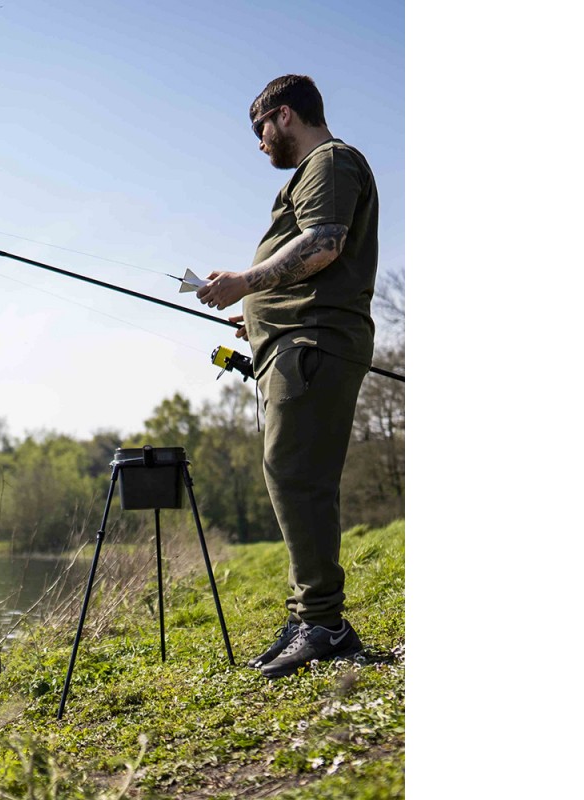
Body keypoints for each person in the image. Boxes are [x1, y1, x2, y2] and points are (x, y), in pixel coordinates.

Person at [195, 74, 378, 679]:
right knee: (292, 474)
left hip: (314, 344)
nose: (259, 143)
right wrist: (258, 313)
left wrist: (245, 284)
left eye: (260, 129)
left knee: (296, 475)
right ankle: (312, 619)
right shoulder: (318, 170)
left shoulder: (330, 161)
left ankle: (322, 623)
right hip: (296, 343)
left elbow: (324, 244)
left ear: (285, 115)